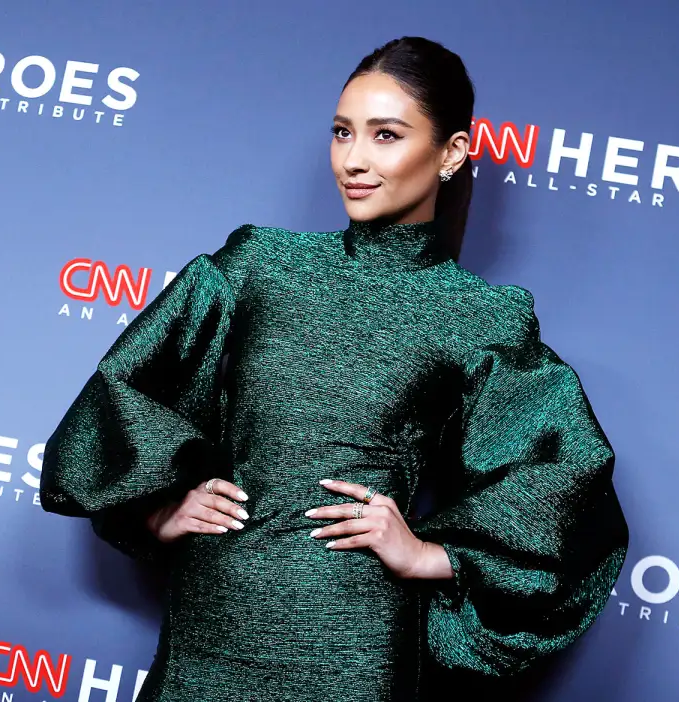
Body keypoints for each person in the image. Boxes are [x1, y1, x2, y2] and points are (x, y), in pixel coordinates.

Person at [39, 36, 629, 702]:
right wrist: (156, 509)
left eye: (386, 135)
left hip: (354, 635)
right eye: (343, 132)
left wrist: (431, 554)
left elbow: (567, 476)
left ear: (452, 153)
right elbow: (123, 388)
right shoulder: (259, 264)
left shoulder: (482, 316)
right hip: (214, 617)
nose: (353, 159)